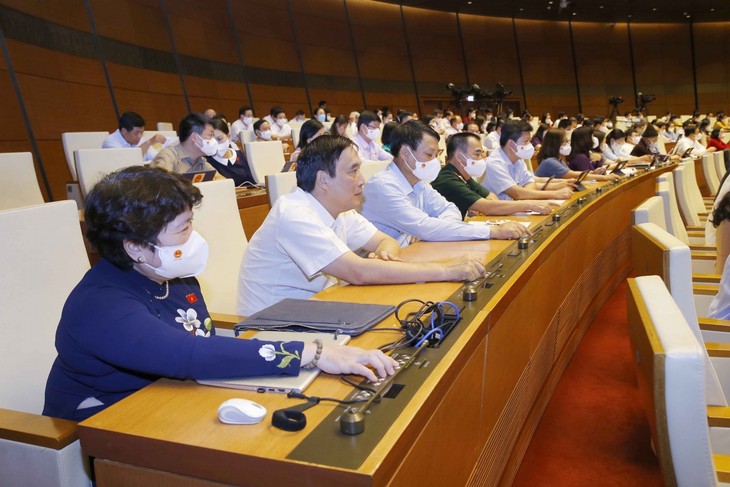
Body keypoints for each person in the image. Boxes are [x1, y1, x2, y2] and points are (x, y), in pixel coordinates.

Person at [42, 166, 398, 421]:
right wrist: (313, 353)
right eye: (183, 229)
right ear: (135, 247)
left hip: (180, 399)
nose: (194, 238)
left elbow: (202, 344)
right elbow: (189, 354)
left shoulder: (173, 276)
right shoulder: (101, 306)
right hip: (106, 428)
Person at [237, 135, 486, 316]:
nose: (362, 181)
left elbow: (383, 241)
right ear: (323, 180)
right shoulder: (294, 214)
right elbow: (359, 272)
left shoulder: (340, 211)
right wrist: (446, 270)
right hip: (272, 327)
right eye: (353, 171)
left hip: (318, 310)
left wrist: (386, 255)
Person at [360, 121, 530, 246]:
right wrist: (492, 231)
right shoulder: (383, 186)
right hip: (383, 268)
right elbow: (425, 227)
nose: (435, 161)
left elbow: (450, 209)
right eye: (429, 154)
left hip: (417, 252)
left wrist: (433, 228)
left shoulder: (419, 183)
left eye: (437, 154)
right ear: (405, 153)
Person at [432, 132, 555, 219]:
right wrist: (529, 204)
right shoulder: (447, 179)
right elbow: (488, 207)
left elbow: (492, 197)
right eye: (477, 154)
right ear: (459, 156)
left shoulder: (463, 176)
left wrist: (483, 207)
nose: (482, 158)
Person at [480, 120, 574, 201]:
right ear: (511, 144)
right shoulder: (494, 163)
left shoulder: (518, 159)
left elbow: (530, 182)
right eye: (526, 141)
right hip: (494, 215)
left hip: (514, 210)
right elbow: (516, 193)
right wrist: (554, 194)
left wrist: (526, 194)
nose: (530, 145)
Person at [150, 113, 223, 177]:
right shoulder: (168, 156)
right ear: (194, 137)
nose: (214, 140)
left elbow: (223, 182)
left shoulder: (202, 162)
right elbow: (161, 183)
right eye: (210, 135)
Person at [535, 129, 618, 182]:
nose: (568, 144)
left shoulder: (558, 159)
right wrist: (605, 177)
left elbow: (573, 174)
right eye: (565, 141)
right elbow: (573, 175)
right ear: (556, 144)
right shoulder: (549, 161)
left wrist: (593, 172)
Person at [205, 118, 255, 186]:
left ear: (228, 136)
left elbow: (252, 182)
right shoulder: (206, 161)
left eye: (219, 139)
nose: (216, 144)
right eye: (211, 141)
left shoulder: (239, 155)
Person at [102, 111, 167, 161]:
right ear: (124, 131)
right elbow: (128, 162)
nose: (140, 136)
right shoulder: (110, 142)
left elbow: (155, 157)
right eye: (136, 133)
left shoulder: (139, 138)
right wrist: (148, 143)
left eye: (141, 132)